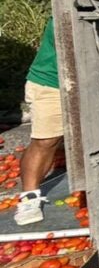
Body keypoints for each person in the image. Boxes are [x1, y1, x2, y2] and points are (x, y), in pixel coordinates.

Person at [15, 18, 63, 225]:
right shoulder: (66, 6)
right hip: (51, 83)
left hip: (90, 79)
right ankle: (29, 197)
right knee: (45, 141)